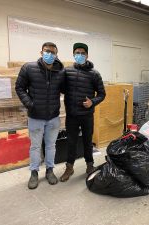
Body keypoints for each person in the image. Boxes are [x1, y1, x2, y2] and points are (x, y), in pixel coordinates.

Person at [15, 42, 64, 189]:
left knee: (51, 146)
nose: (49, 54)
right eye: (46, 51)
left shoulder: (60, 71)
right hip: (35, 116)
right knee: (35, 146)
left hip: (53, 116)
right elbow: (19, 87)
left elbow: (66, 88)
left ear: (56, 55)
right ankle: (34, 173)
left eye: (52, 52)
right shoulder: (29, 68)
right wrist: (29, 103)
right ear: (41, 52)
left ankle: (49, 170)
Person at [60, 43, 106, 182]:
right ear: (74, 54)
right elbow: (61, 88)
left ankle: (90, 165)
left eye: (82, 53)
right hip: (72, 115)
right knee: (71, 142)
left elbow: (102, 94)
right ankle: (69, 167)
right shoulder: (67, 71)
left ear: (87, 55)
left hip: (87, 116)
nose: (79, 55)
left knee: (87, 141)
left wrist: (92, 102)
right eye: (77, 52)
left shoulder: (94, 73)